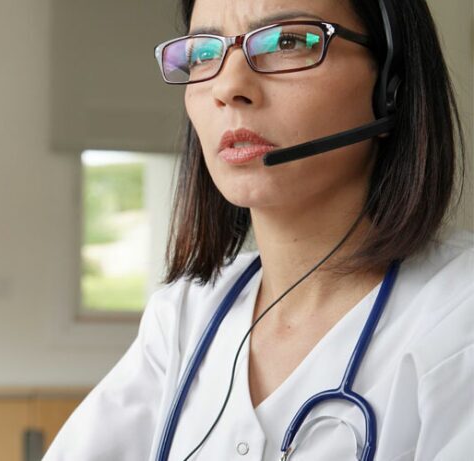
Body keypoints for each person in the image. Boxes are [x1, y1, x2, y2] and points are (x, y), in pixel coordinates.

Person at [43, 0, 471, 459]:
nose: (228, 87)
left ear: (391, 85)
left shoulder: (458, 317)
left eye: (287, 41)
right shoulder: (187, 316)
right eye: (204, 54)